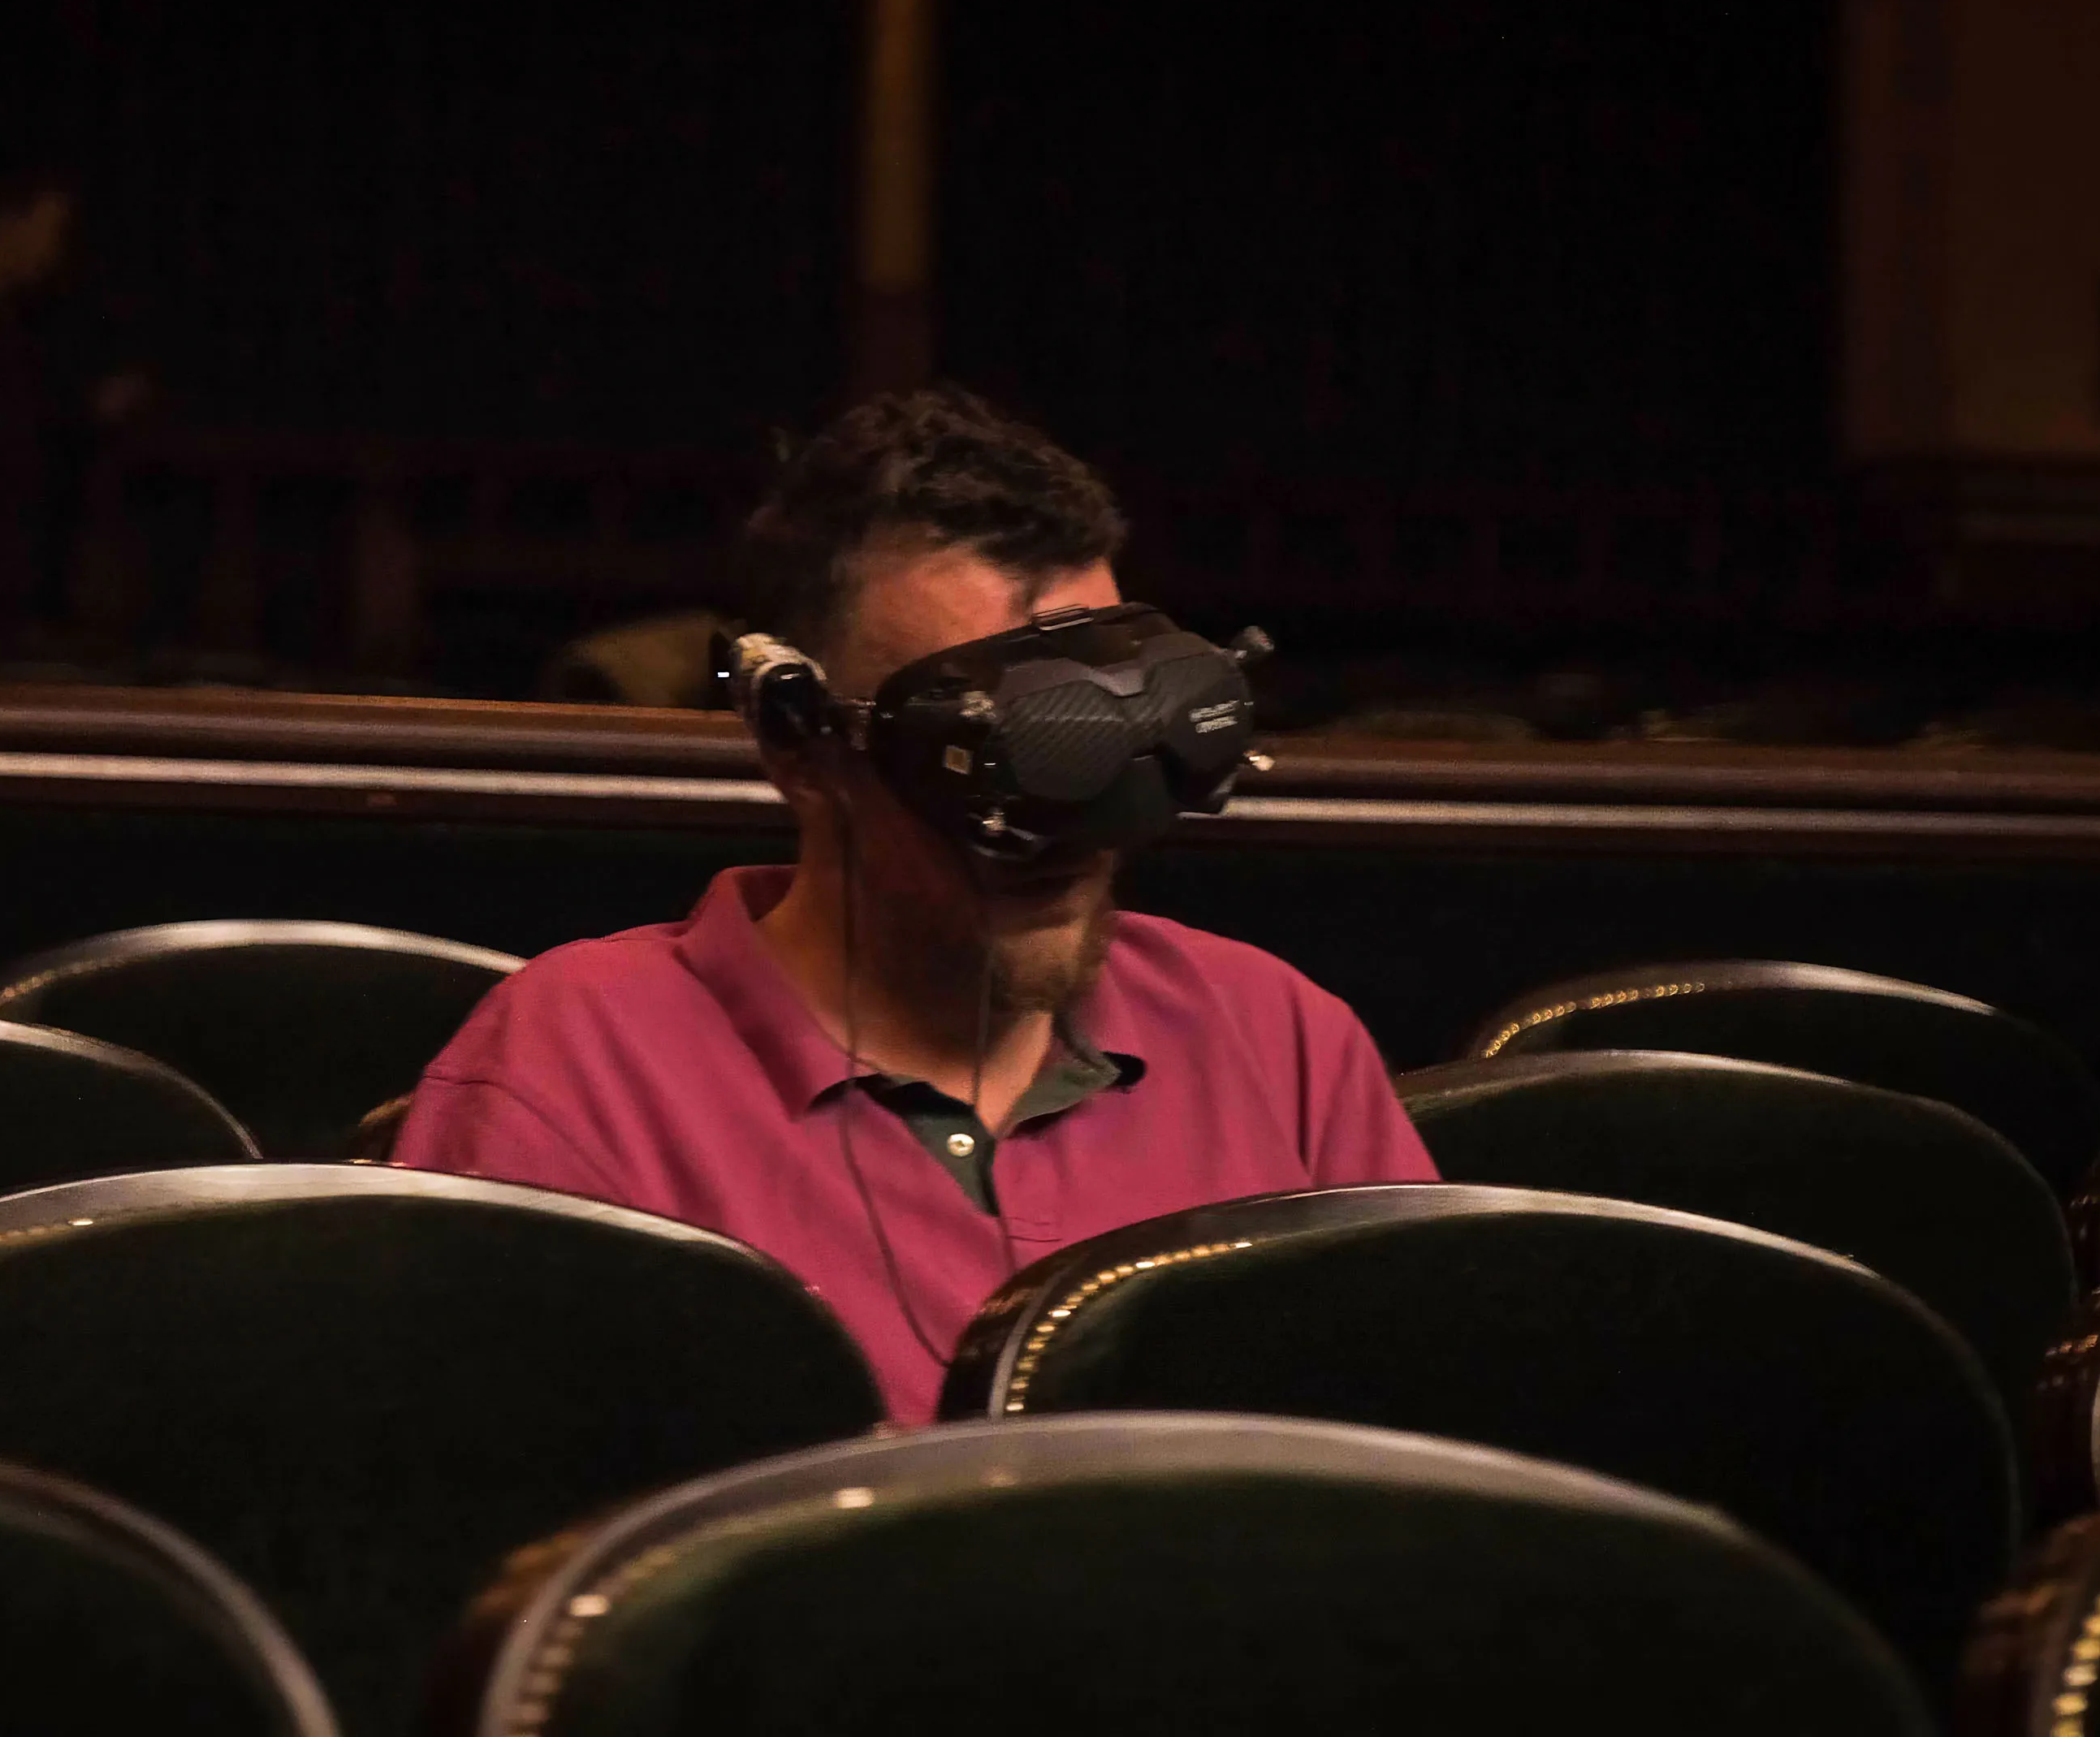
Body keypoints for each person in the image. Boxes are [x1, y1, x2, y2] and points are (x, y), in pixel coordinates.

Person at [392, 388, 1437, 1419]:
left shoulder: (1279, 1040)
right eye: (993, 756)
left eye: (1104, 739)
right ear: (798, 744)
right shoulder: (580, 1065)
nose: (1066, 828)